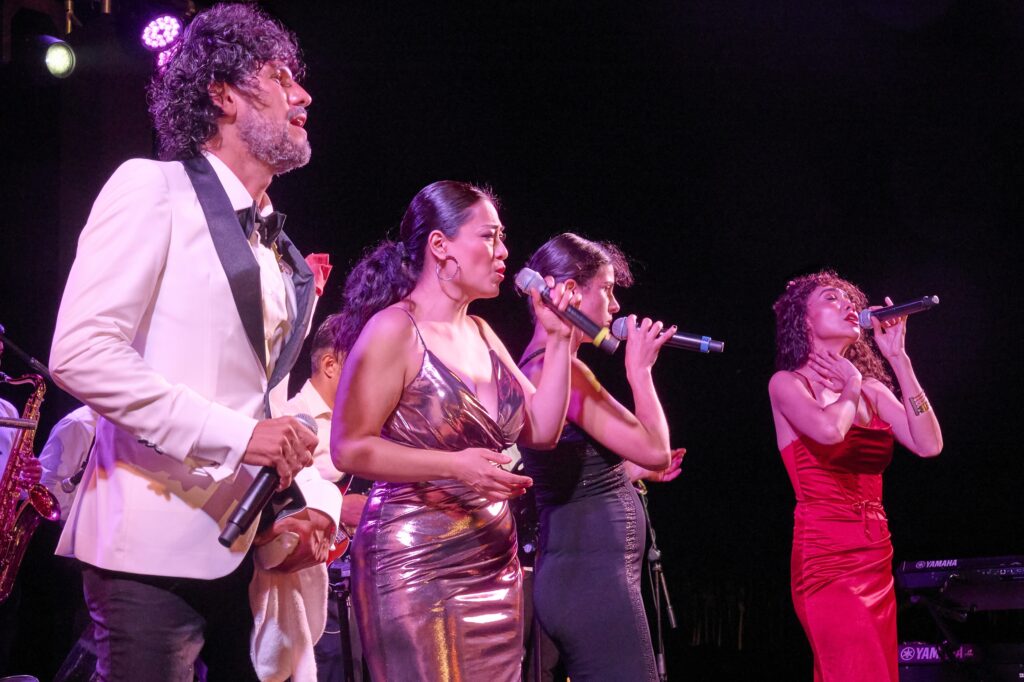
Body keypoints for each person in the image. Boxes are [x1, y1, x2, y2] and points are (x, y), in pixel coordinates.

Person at [47, 5, 341, 680]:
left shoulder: (277, 247)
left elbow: (256, 397)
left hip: (248, 546)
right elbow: (81, 352)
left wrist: (299, 499)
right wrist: (239, 437)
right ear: (223, 94)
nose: (303, 96)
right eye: (280, 77)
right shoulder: (151, 187)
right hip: (149, 552)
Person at [330, 180, 578, 681]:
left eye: (502, 238)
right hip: (416, 562)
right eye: (488, 236)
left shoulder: (482, 332)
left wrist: (558, 341)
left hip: (494, 562)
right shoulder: (395, 329)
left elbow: (543, 430)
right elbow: (348, 447)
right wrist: (453, 466)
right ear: (440, 246)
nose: (503, 252)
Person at [517, 233, 683, 682]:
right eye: (606, 290)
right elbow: (657, 449)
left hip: (577, 573)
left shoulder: (536, 365)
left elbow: (570, 472)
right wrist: (640, 372)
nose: (615, 306)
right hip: (592, 581)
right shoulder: (563, 372)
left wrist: (626, 471)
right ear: (569, 291)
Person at [768, 271, 943, 682]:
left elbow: (929, 444)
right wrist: (850, 385)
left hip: (875, 554)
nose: (849, 304)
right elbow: (830, 431)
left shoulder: (873, 392)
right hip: (825, 558)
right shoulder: (787, 384)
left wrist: (899, 359)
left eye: (851, 300)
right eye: (832, 298)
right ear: (804, 319)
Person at [283, 314, 369, 681]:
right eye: (361, 361)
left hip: (358, 580)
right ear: (330, 365)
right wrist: (337, 506)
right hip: (309, 583)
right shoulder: (287, 416)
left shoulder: (364, 424)